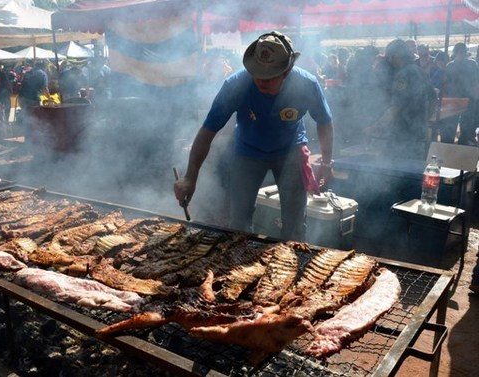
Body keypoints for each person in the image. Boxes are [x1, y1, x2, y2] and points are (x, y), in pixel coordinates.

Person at [174, 31, 334, 241]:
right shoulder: (236, 84)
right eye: (256, 74)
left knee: (295, 225)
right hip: (247, 152)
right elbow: (208, 131)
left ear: (286, 71)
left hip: (290, 152)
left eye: (268, 77)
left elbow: (324, 121)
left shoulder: (306, 84)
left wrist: (327, 161)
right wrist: (190, 177)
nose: (260, 81)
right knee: (239, 222)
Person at [364, 39, 435, 159]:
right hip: (418, 133)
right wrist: (424, 121)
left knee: (398, 170)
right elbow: (433, 99)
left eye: (389, 57)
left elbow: (395, 107)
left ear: (396, 56)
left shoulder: (403, 75)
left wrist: (377, 126)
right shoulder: (420, 71)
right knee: (414, 169)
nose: (389, 62)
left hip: (403, 135)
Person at [443, 42, 479, 145]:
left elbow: (476, 82)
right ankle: (462, 140)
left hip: (464, 98)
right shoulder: (452, 65)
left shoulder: (470, 64)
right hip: (459, 98)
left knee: (463, 122)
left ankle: (461, 141)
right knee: (461, 121)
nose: (461, 54)